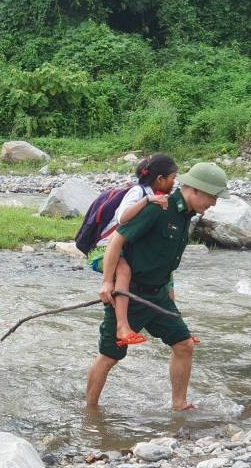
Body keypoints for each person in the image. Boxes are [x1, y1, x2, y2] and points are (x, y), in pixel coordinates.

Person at [86, 162, 230, 411]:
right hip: (130, 295)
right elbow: (117, 240)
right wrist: (107, 282)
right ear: (195, 189)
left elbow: (167, 259)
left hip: (159, 295)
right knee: (109, 357)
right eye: (212, 197)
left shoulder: (186, 216)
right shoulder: (158, 207)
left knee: (184, 345)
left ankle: (179, 404)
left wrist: (171, 297)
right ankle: (90, 411)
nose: (214, 204)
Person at [86, 154, 178, 347]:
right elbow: (122, 218)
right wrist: (147, 201)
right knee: (124, 270)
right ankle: (122, 327)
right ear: (160, 179)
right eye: (172, 178)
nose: (174, 182)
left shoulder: (158, 196)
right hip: (103, 249)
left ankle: (179, 331)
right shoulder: (138, 192)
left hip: (126, 248)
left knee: (165, 276)